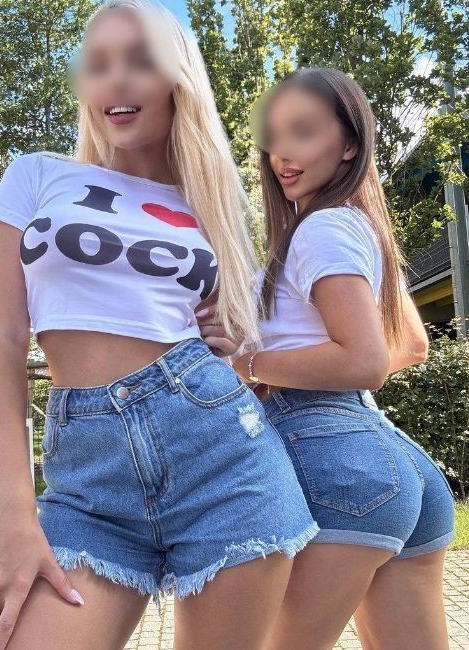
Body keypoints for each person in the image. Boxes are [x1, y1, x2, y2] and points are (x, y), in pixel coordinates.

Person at [0, 2, 318, 649]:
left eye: (139, 60)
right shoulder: (38, 176)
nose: (116, 79)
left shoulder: (205, 205)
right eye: (98, 64)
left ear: (177, 80)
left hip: (225, 464)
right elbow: (0, 341)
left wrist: (235, 349)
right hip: (87, 486)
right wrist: (9, 511)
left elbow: (240, 344)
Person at [225, 67, 454, 649]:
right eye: (275, 135)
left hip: (334, 461)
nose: (282, 153)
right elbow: (411, 345)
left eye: (303, 132)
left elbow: (364, 361)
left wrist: (250, 366)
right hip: (388, 457)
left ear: (350, 143)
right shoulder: (357, 228)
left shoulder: (321, 230)